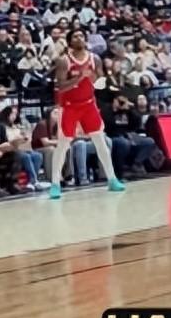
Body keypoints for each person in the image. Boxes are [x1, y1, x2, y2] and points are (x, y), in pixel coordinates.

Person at [48, 28, 126, 199]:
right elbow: (60, 87)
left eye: (82, 35)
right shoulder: (64, 61)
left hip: (89, 105)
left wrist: (95, 80)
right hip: (69, 106)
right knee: (63, 144)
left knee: (100, 141)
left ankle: (112, 179)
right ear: (70, 41)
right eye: (75, 36)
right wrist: (79, 78)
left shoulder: (94, 58)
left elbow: (101, 83)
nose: (80, 38)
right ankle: (55, 184)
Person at [0, 105, 50, 191]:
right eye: (12, 114)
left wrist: (24, 137)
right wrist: (17, 139)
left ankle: (31, 182)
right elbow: (7, 141)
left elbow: (24, 139)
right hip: (10, 150)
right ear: (6, 114)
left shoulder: (16, 126)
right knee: (26, 156)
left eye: (15, 114)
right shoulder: (1, 127)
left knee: (37, 156)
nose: (14, 116)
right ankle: (34, 181)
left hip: (21, 148)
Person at [0, 101, 25, 198]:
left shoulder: (0, 127)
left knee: (16, 154)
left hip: (0, 153)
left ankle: (12, 184)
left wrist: (14, 144)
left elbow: (6, 144)